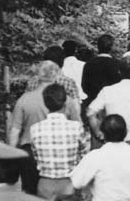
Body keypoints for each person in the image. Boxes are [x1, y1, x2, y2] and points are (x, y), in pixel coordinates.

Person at [9, 61, 81, 194]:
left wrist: (11, 156)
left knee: (31, 193)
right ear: (56, 75)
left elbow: (15, 131)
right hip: (59, 151)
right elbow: (78, 126)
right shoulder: (66, 100)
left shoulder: (24, 99)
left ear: (38, 75)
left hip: (29, 152)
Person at [87, 56, 130, 151]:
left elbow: (90, 112)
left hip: (112, 145)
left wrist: (98, 132)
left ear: (119, 72)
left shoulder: (107, 91)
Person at [81, 34, 122, 106]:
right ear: (112, 47)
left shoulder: (89, 64)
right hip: (111, 102)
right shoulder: (116, 64)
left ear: (98, 46)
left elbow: (84, 86)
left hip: (92, 101)